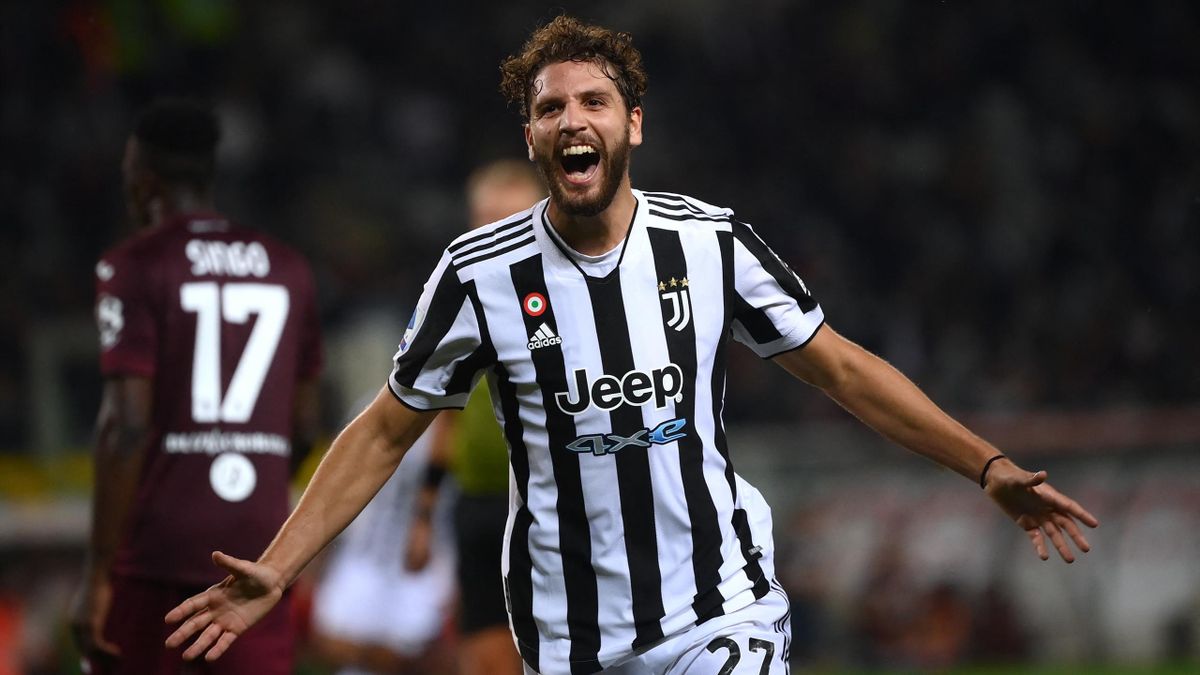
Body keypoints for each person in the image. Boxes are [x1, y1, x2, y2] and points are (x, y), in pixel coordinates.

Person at [164, 16, 1098, 675]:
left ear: (632, 124)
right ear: (532, 136)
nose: (573, 119)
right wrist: (278, 566)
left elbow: (845, 369)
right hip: (570, 637)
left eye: (595, 101)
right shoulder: (477, 275)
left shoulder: (710, 243)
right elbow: (382, 430)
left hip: (719, 608)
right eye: (551, 108)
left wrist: (986, 465)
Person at [70, 98, 323, 675]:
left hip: (155, 554)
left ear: (143, 182)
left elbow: (126, 425)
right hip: (257, 551)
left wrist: (97, 574)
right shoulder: (289, 268)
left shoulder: (134, 265)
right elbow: (305, 425)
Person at [406, 159, 545, 675]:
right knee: (484, 656)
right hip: (481, 505)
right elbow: (444, 416)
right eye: (486, 220)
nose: (497, 233)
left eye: (511, 220)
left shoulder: (567, 295)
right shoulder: (459, 304)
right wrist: (424, 515)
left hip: (550, 503)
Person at [309, 398, 457, 675]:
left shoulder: (462, 425)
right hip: (366, 554)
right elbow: (323, 642)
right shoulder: (371, 406)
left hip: (425, 563)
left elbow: (441, 657)